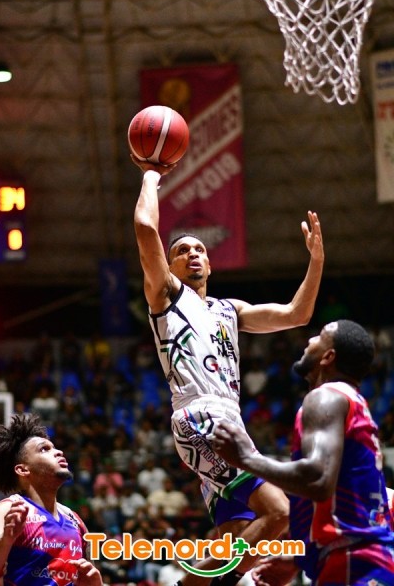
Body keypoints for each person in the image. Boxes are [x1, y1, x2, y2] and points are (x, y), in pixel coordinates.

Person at [132, 158, 324, 584]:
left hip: (228, 420)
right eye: (182, 251)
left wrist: (316, 261)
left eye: (199, 250)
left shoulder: (229, 310)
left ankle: (198, 581)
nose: (192, 255)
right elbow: (145, 229)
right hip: (201, 415)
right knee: (279, 512)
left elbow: (297, 313)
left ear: (210, 264)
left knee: (238, 538)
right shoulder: (166, 296)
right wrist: (152, 174)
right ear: (169, 266)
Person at [212, 320, 394, 586]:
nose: (309, 341)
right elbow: (344, 499)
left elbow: (317, 480)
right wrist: (300, 559)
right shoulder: (352, 403)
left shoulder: (326, 397)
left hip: (353, 561)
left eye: (319, 337)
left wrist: (247, 459)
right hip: (361, 559)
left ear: (328, 357)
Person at [0, 413, 103, 585]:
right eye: (44, 449)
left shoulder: (76, 522)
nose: (59, 452)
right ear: (23, 469)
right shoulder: (8, 509)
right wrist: (5, 539)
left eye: (54, 447)